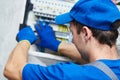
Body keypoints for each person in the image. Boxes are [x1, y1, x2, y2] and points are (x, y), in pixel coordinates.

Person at [4, 0, 120, 80]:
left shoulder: (70, 75)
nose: (73, 40)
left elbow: (12, 69)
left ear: (86, 33)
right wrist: (57, 45)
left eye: (72, 33)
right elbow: (99, 63)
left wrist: (24, 41)